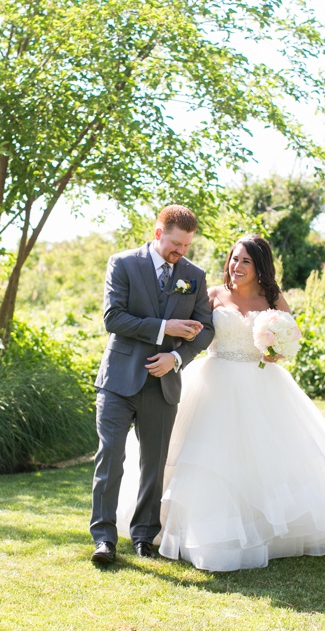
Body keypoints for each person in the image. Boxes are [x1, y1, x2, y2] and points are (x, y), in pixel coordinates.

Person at [119, 234, 325, 571]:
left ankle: (266, 531)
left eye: (245, 261)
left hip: (260, 383)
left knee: (264, 458)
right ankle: (179, 529)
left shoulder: (273, 299)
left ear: (260, 265)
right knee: (202, 458)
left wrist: (276, 349)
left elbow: (291, 338)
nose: (236, 266)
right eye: (234, 259)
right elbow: (195, 332)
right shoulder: (213, 294)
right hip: (212, 380)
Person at [90, 205, 214, 565]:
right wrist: (166, 329)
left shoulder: (194, 275)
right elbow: (114, 317)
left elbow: (205, 328)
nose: (181, 252)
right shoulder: (123, 263)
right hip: (118, 380)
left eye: (187, 245)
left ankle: (145, 536)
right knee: (110, 459)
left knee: (154, 465)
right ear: (159, 233)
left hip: (163, 384)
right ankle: (104, 539)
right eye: (176, 244)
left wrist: (175, 358)